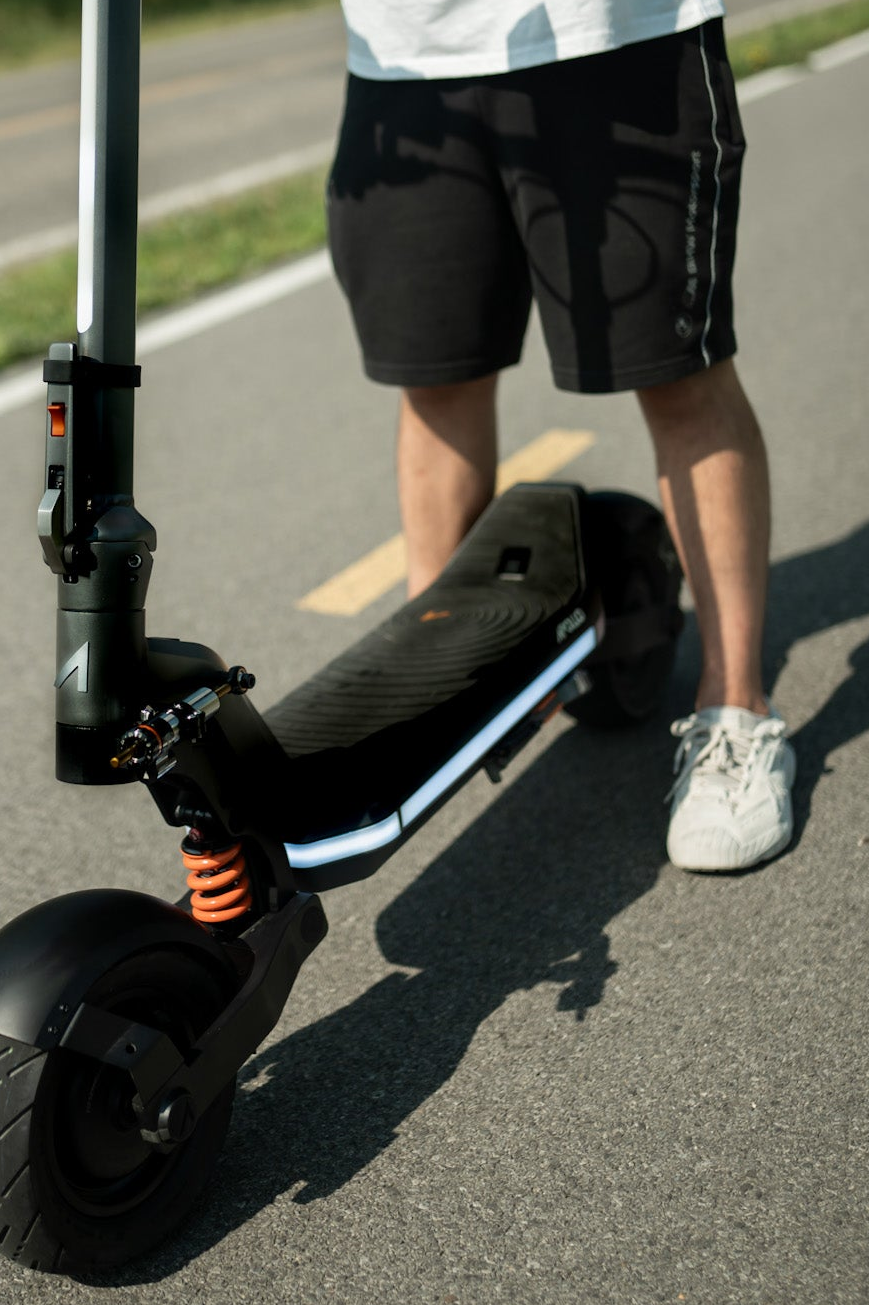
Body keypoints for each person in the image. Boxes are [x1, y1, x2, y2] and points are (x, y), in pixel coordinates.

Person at [325, 0, 795, 872]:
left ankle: (737, 710)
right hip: (404, 63)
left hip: (610, 42)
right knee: (436, 378)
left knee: (677, 372)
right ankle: (438, 683)